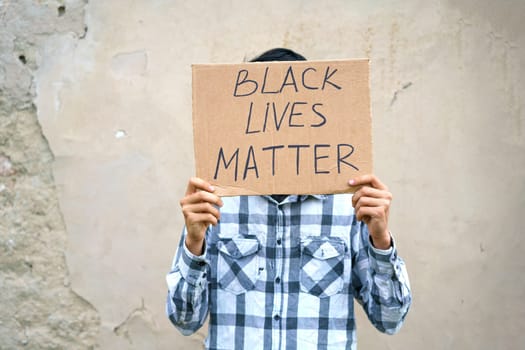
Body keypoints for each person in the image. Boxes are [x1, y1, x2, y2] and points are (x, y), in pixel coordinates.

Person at [166, 48, 411, 349]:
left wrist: (380, 241)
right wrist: (194, 244)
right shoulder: (216, 205)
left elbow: (390, 319)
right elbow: (184, 320)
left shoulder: (349, 205)